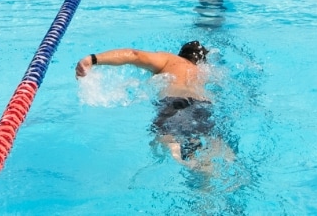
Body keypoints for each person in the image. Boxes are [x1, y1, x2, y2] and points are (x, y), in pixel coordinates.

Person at [77, 41, 219, 165]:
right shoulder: (203, 73)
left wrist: (93, 59)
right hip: (203, 105)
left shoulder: (170, 59)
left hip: (175, 102)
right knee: (198, 145)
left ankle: (178, 157)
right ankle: (202, 168)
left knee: (167, 140)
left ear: (181, 53)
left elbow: (134, 55)